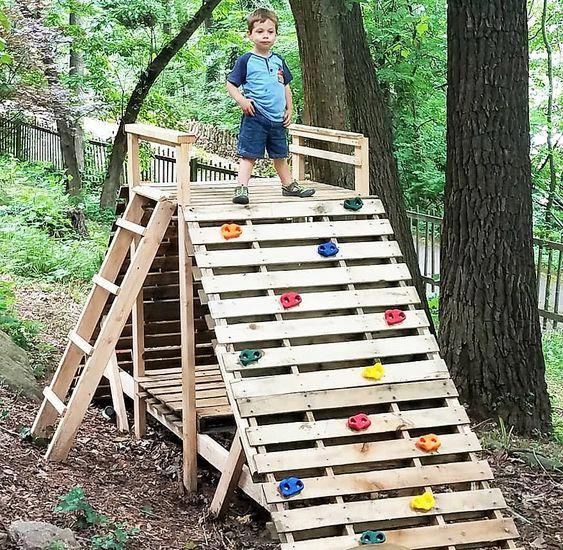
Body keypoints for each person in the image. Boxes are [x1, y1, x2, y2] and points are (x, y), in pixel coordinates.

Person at [226, 8, 315, 205]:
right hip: (255, 115)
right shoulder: (246, 60)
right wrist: (241, 100)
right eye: (260, 31)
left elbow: (286, 86)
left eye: (270, 31)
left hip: (277, 118)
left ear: (275, 34)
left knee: (280, 155)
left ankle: (288, 185)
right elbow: (231, 84)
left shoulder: (279, 61)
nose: (265, 35)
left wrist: (289, 109)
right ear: (250, 34)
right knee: (249, 154)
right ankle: (242, 187)